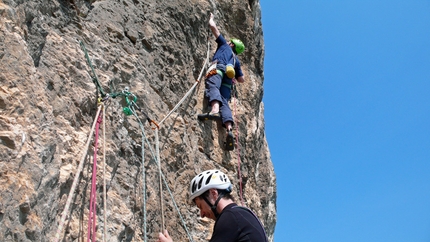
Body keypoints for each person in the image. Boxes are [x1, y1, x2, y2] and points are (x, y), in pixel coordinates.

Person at [158, 169, 268, 242]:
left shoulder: (230, 218)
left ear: (213, 193)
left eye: (200, 206)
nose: (202, 214)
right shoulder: (242, 215)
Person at [197, 13, 246, 151]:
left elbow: (213, 27)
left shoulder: (224, 45)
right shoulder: (236, 60)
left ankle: (214, 110)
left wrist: (211, 18)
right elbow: (241, 79)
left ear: (231, 44)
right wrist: (234, 75)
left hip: (218, 69)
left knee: (213, 85)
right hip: (228, 81)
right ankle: (229, 128)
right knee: (225, 101)